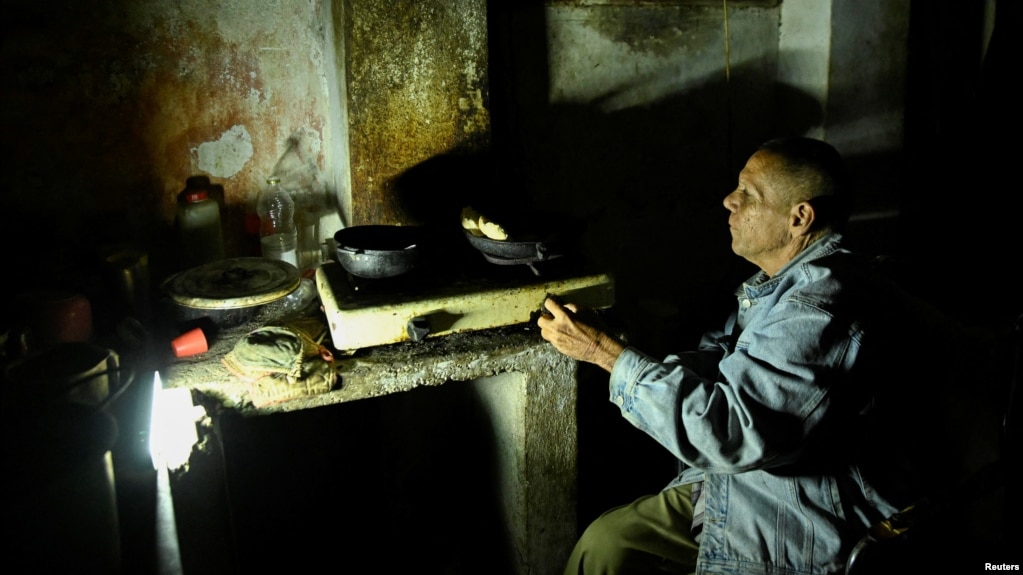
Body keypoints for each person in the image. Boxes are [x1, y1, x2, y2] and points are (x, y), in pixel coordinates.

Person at [538, 137, 957, 574]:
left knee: (610, 547)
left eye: (748, 195)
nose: (728, 201)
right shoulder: (785, 283)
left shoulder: (819, 306)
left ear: (800, 218)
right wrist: (625, 351)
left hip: (805, 510)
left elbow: (733, 432)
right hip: (759, 482)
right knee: (609, 543)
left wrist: (605, 354)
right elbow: (726, 363)